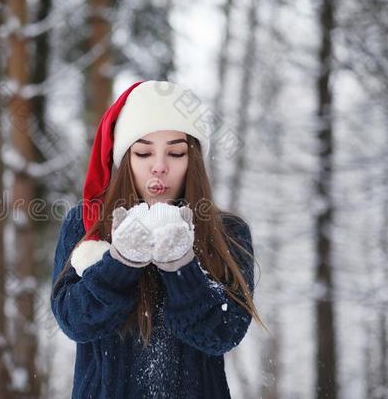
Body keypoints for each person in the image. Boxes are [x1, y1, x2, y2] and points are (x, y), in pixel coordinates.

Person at [50, 80, 265, 398]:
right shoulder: (85, 225)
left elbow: (223, 334)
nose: (160, 166)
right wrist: (118, 265)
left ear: (193, 161)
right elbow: (75, 323)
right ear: (125, 159)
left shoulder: (228, 233)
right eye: (143, 152)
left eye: (176, 153)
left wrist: (182, 267)